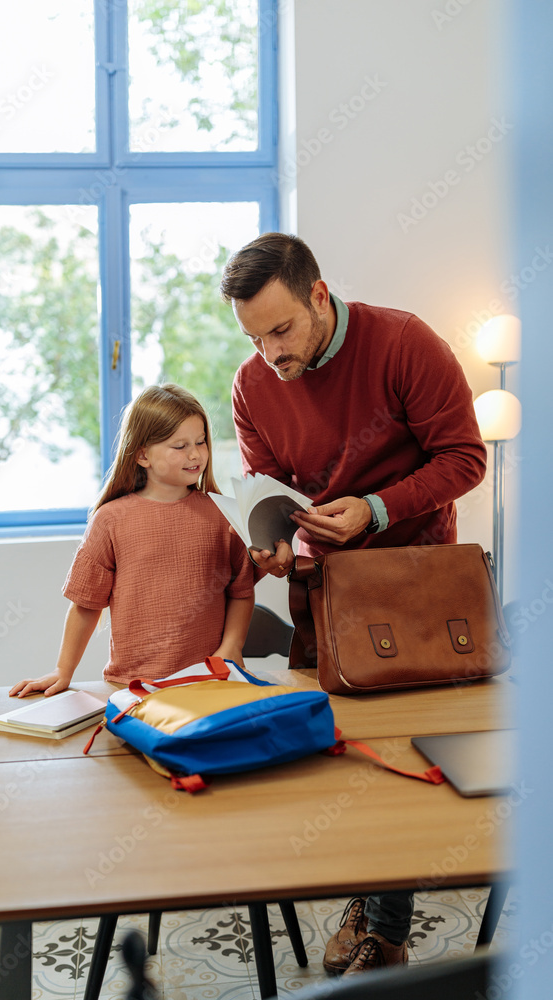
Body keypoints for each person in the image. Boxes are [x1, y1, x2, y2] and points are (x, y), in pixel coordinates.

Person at [220, 233, 487, 977]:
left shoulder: (403, 343)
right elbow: (266, 485)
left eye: (280, 330)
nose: (270, 353)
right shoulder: (251, 384)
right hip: (322, 594)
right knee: (346, 762)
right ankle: (369, 907)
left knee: (400, 761)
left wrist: (372, 508)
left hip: (413, 589)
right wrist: (271, 544)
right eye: (253, 336)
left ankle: (384, 932)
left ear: (317, 295)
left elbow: (464, 456)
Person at [10, 383, 255, 697]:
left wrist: (230, 648)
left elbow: (241, 592)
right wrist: (63, 670)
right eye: (179, 446)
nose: (195, 454)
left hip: (209, 683)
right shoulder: (110, 520)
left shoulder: (223, 514)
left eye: (201, 441)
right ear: (142, 455)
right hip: (131, 688)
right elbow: (85, 605)